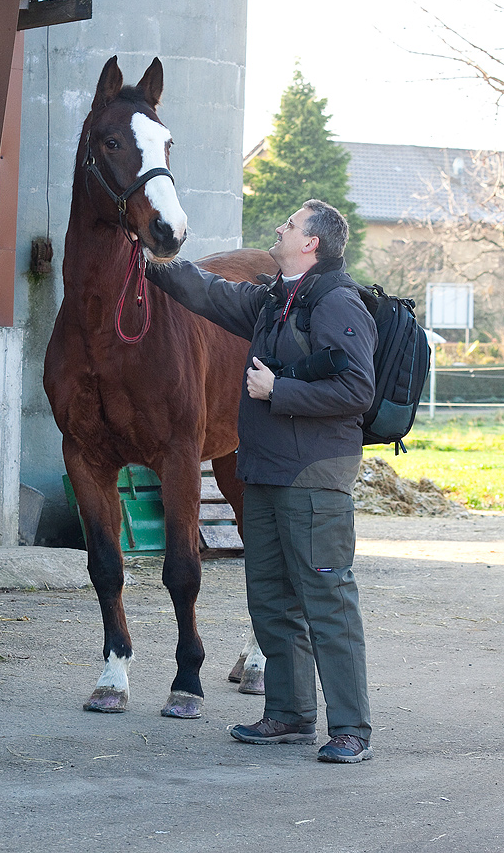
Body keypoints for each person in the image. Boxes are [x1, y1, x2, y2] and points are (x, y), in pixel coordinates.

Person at [146, 199, 377, 763]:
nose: (280, 228)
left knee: (326, 601)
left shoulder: (337, 302)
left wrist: (282, 392)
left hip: (315, 477)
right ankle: (290, 714)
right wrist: (153, 256)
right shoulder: (276, 299)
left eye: (291, 225)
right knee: (271, 600)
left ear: (312, 244)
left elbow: (357, 390)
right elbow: (211, 294)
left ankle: (351, 730)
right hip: (266, 471)